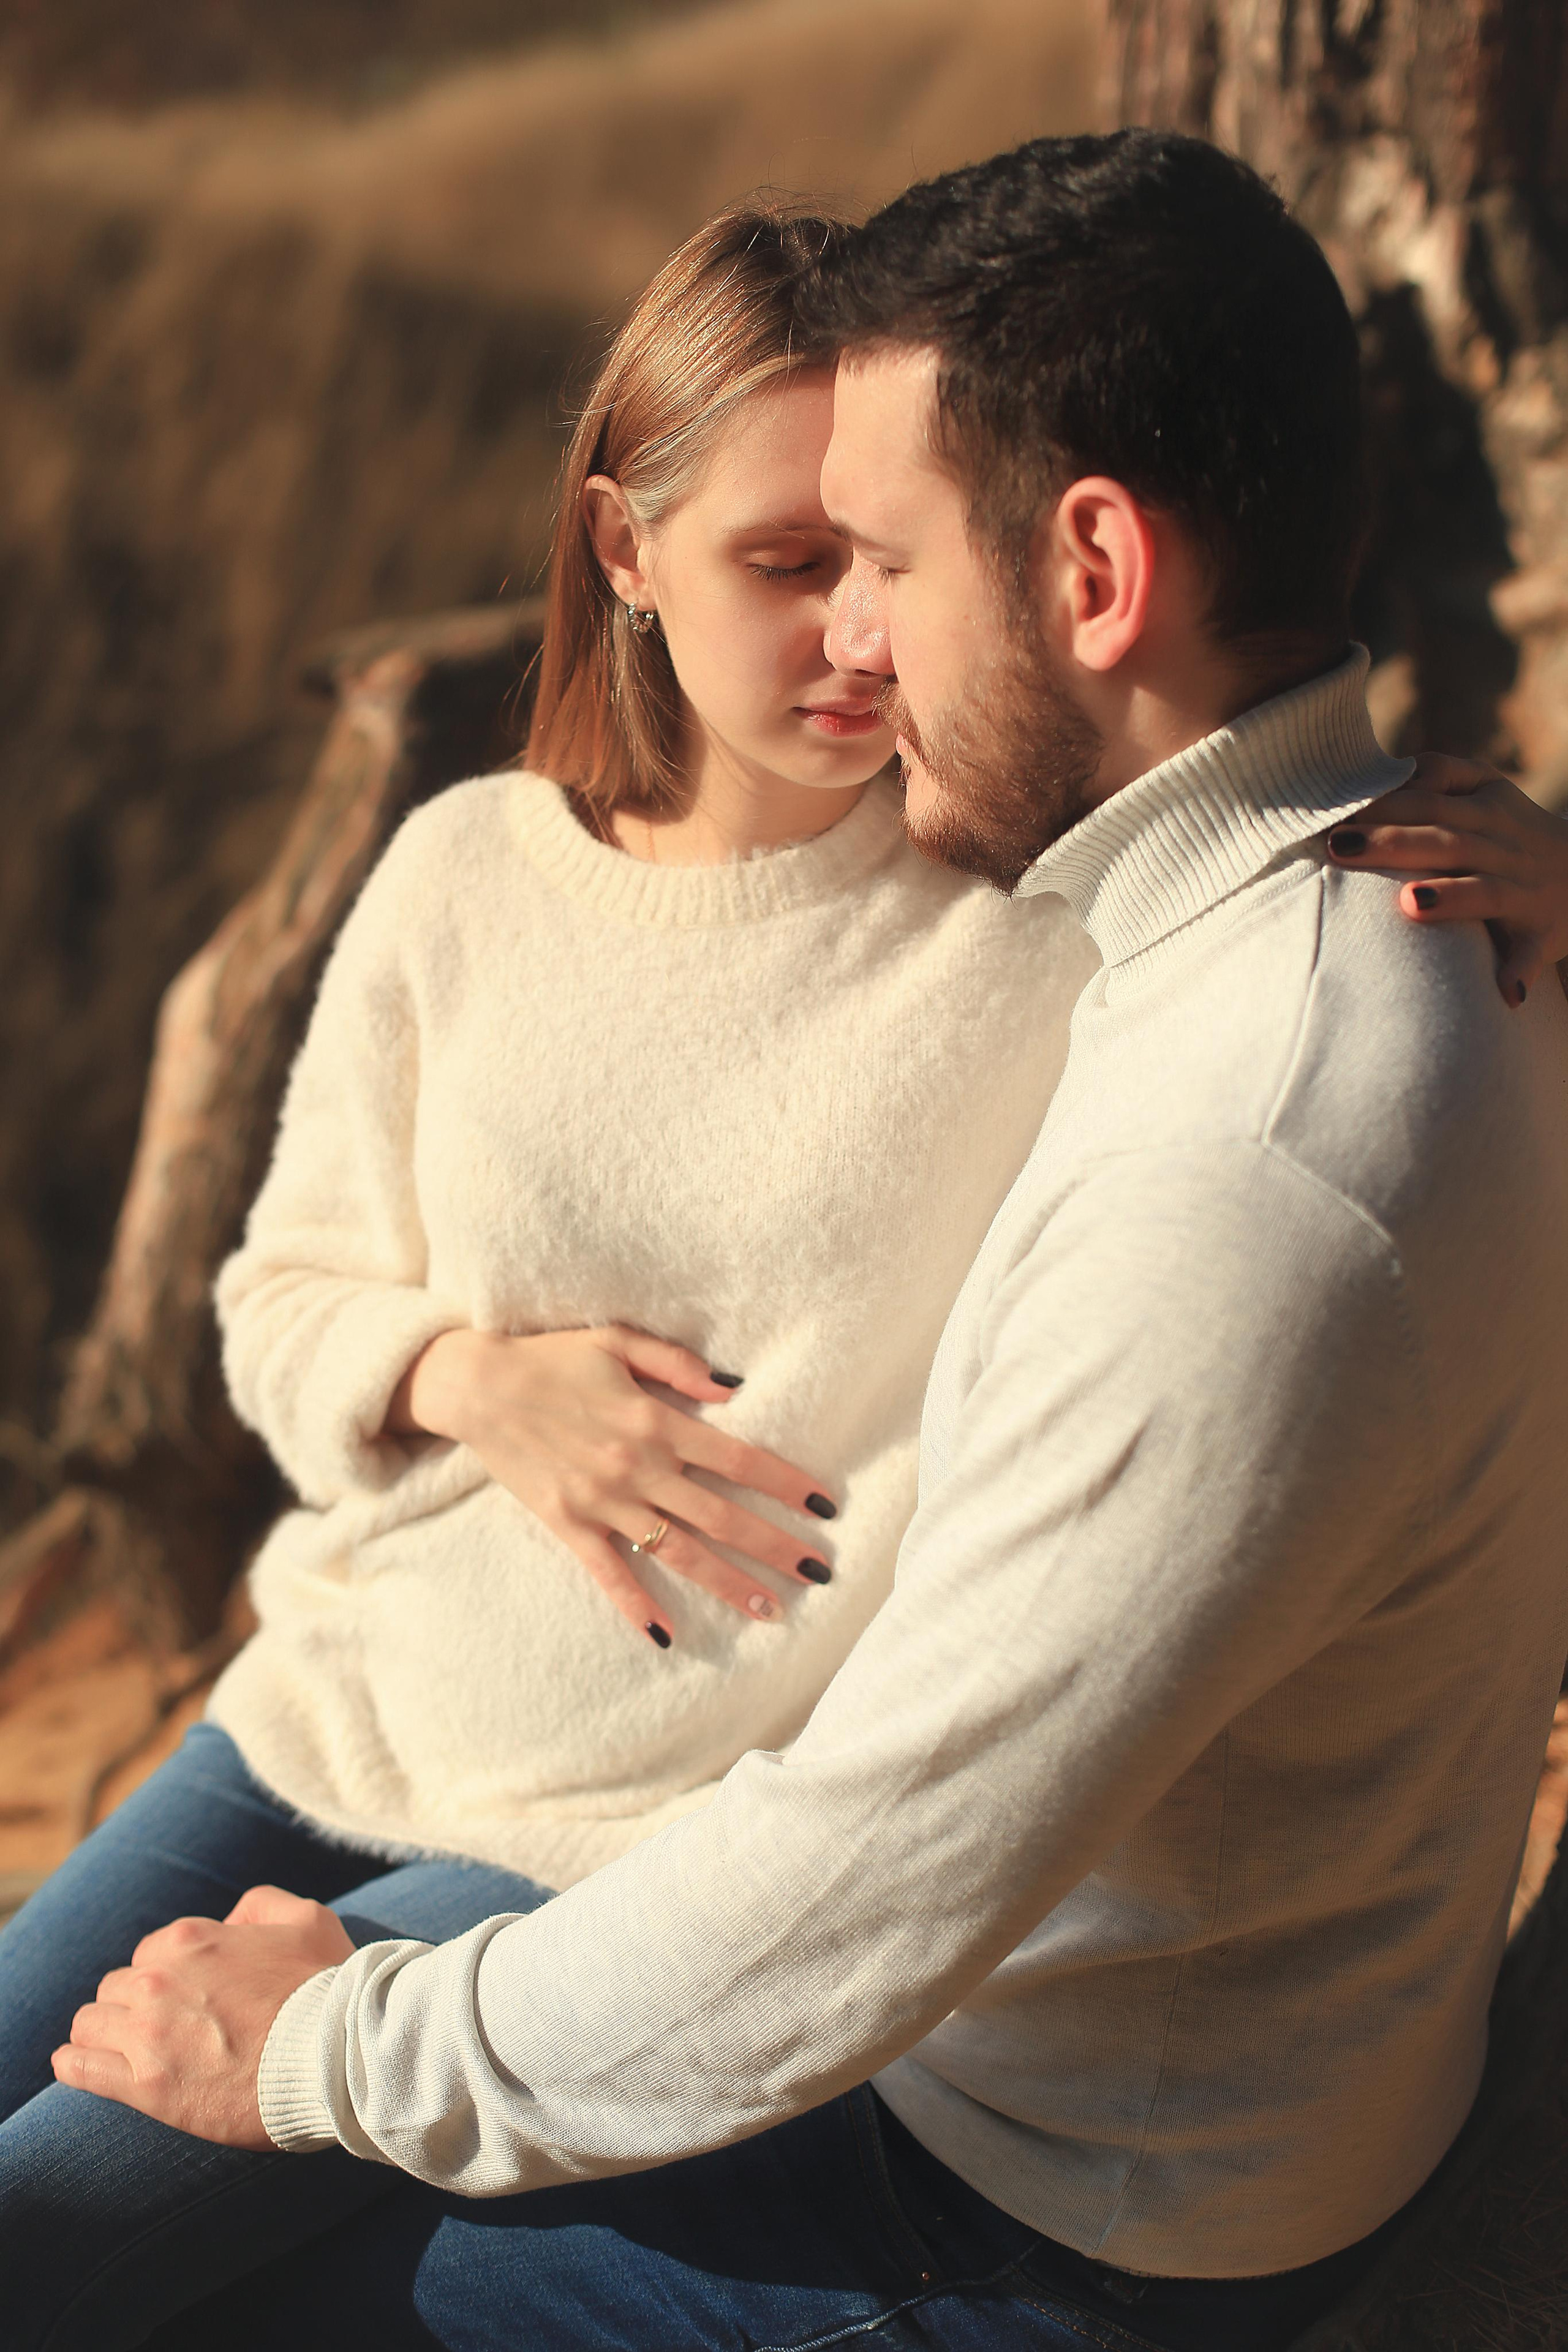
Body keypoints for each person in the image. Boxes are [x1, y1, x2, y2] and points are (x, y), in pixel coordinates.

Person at [18, 138, 1568, 2352]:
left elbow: (861, 1887)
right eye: (798, 562)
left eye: (894, 562)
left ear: (1098, 571)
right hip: (924, 2013)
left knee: (154, 2273)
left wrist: (311, 2057)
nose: (853, 642)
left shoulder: (1237, 1172)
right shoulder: (1300, 916)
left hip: (1030, 2196)